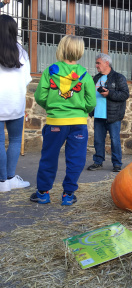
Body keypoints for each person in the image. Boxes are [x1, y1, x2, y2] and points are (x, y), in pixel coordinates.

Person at [31, 35, 96, 205]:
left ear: (61, 48)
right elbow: (91, 102)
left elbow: (40, 97)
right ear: (80, 51)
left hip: (56, 122)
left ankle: (43, 193)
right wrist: (82, 111)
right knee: (76, 158)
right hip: (78, 124)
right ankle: (68, 195)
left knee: (49, 156)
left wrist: (53, 107)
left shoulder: (50, 71)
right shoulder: (85, 75)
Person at [0, 15, 32, 192]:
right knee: (14, 140)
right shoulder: (22, 52)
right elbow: (27, 80)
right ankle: (11, 178)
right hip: (15, 104)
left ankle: (2, 182)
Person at [87, 53, 129, 172]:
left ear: (106, 63)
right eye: (96, 63)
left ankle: (117, 164)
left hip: (113, 115)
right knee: (98, 140)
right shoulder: (96, 78)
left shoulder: (118, 77)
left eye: (98, 63)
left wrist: (109, 93)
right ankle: (98, 162)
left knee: (115, 140)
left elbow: (125, 94)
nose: (96, 66)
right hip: (98, 115)